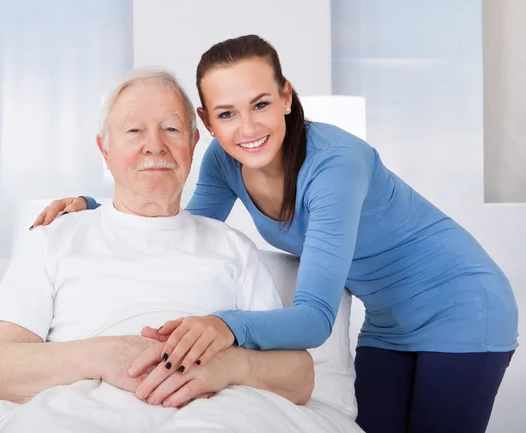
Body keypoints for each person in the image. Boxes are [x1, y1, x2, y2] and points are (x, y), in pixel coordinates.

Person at [32, 35, 519, 433]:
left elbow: (313, 319)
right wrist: (100, 209)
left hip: (462, 304)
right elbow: (185, 226)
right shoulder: (225, 162)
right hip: (389, 321)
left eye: (260, 104)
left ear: (287, 97)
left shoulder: (335, 166)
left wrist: (224, 326)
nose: (247, 127)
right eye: (226, 113)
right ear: (206, 121)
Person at [0, 68, 330, 433]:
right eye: (134, 131)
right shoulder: (54, 239)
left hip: (220, 414)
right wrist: (104, 355)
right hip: (82, 410)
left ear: (193, 145)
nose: (155, 145)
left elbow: (299, 376)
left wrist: (228, 366)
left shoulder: (232, 247)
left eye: (172, 130)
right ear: (105, 149)